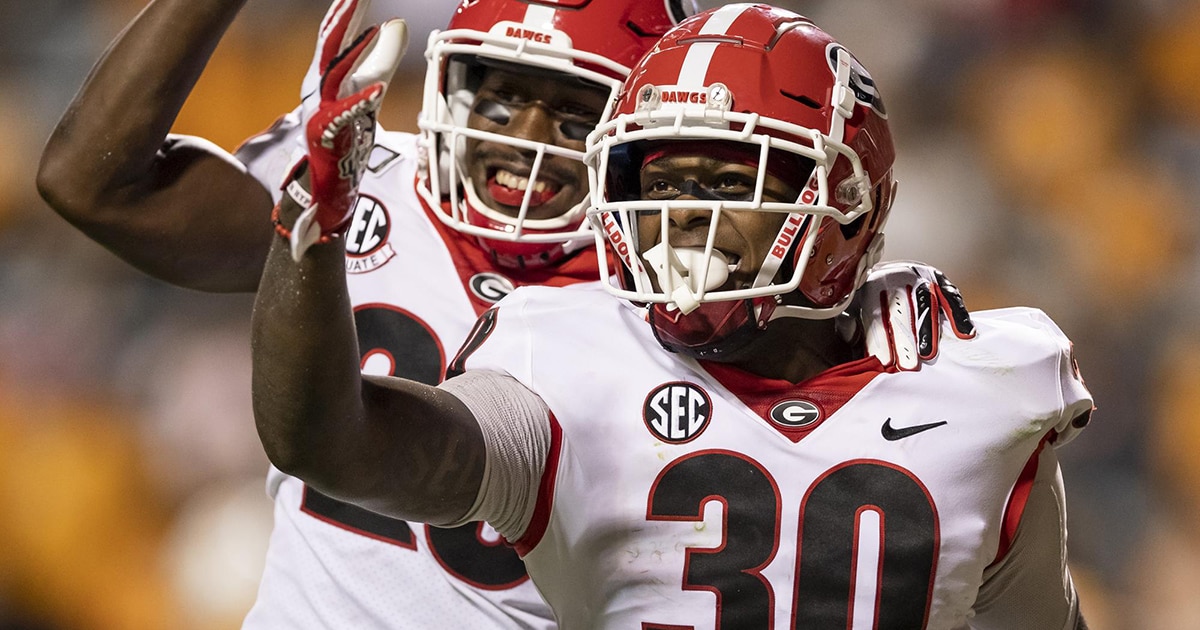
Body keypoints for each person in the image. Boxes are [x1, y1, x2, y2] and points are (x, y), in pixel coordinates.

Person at [251, 3, 1094, 628]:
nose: (681, 214)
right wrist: (310, 232)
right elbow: (331, 443)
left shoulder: (976, 390)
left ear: (845, 206)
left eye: (729, 182)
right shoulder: (559, 358)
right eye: (657, 183)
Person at [34, 0, 703, 626]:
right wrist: (312, 208)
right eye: (502, 103)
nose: (526, 143)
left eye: (576, 119)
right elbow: (93, 185)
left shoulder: (686, 306)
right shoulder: (360, 176)